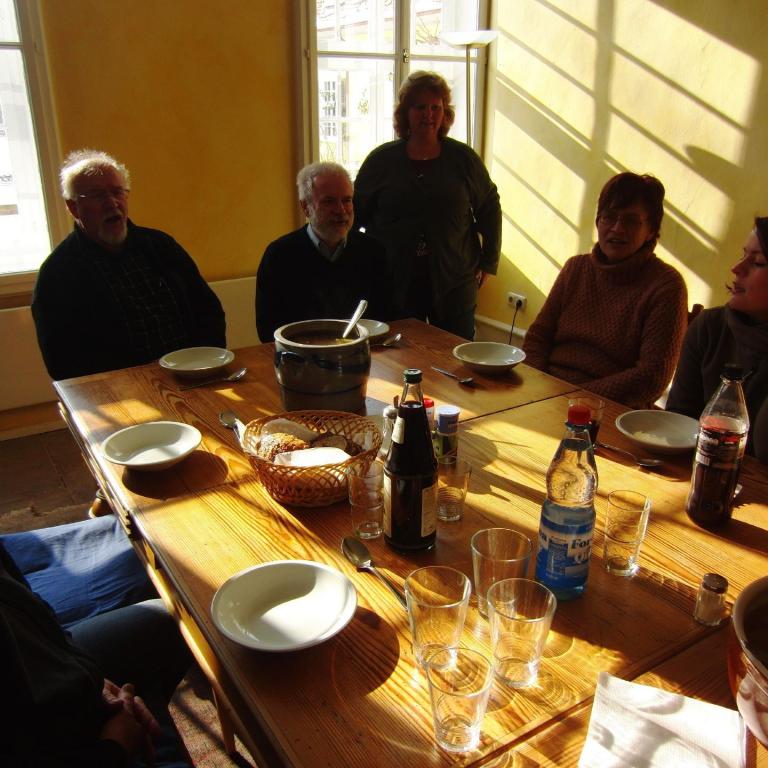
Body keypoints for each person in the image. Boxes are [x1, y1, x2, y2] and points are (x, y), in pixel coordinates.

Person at [32, 149, 226, 381]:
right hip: (119, 390)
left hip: (191, 375)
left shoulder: (160, 246)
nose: (111, 203)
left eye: (117, 192)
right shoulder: (57, 274)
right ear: (73, 207)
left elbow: (208, 309)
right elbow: (63, 361)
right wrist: (137, 380)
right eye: (97, 196)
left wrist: (205, 363)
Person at [0, 535, 192, 766]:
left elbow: (32, 605)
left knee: (174, 615)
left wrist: (93, 677)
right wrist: (116, 747)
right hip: (68, 744)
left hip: (65, 677)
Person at [353, 71, 501, 340]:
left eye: (436, 107)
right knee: (396, 354)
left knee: (454, 354)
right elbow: (355, 215)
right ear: (405, 113)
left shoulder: (463, 159)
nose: (428, 115)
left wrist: (489, 261)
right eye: (420, 107)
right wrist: (358, 267)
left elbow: (489, 206)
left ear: (445, 112)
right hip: (394, 282)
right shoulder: (381, 161)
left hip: (454, 280)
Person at [522, 172, 688, 408]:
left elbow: (652, 376)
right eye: (609, 217)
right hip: (547, 393)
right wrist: (537, 385)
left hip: (610, 409)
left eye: (631, 221)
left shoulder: (666, 286)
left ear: (651, 230)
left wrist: (574, 399)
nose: (617, 229)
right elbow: (538, 337)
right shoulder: (575, 268)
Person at [667, 217, 768, 461]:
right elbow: (678, 421)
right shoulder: (710, 327)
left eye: (758, 262)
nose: (736, 268)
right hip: (700, 469)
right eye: (743, 255)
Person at [256, 162, 391, 342]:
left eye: (346, 200)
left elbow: (388, 316)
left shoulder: (373, 252)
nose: (341, 210)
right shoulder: (279, 256)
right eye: (329, 201)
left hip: (365, 351)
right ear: (305, 207)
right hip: (301, 354)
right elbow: (267, 330)